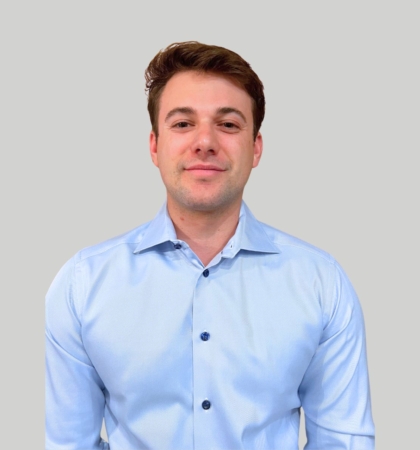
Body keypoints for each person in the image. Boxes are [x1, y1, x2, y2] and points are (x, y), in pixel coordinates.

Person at [45, 41, 375, 450]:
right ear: (154, 146)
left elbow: (344, 443)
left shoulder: (321, 283)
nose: (205, 142)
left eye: (229, 124)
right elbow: (68, 443)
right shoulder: (83, 283)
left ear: (255, 147)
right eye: (183, 124)